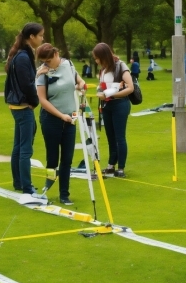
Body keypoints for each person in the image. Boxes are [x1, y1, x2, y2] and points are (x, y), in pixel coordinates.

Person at [36, 43, 86, 205]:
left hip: (70, 119)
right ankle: (47, 188)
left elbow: (79, 82)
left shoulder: (69, 65)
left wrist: (81, 87)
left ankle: (64, 194)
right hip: (51, 119)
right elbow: (42, 100)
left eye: (50, 60)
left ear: (57, 53)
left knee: (67, 159)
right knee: (52, 159)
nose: (47, 64)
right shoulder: (42, 73)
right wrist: (60, 115)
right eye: (45, 61)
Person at [4, 22, 44, 194]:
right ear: (32, 37)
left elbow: (27, 79)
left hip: (18, 106)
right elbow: (26, 85)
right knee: (25, 149)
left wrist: (37, 75)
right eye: (41, 35)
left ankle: (19, 183)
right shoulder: (22, 57)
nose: (42, 39)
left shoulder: (22, 55)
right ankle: (26, 186)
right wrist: (35, 101)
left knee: (19, 147)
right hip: (22, 107)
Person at [93, 43, 134, 177]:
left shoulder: (121, 66)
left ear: (104, 56)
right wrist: (100, 91)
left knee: (119, 137)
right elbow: (102, 86)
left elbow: (130, 87)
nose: (96, 61)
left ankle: (121, 167)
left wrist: (111, 94)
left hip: (120, 104)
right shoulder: (103, 70)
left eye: (97, 58)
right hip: (107, 105)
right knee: (110, 136)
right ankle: (111, 165)